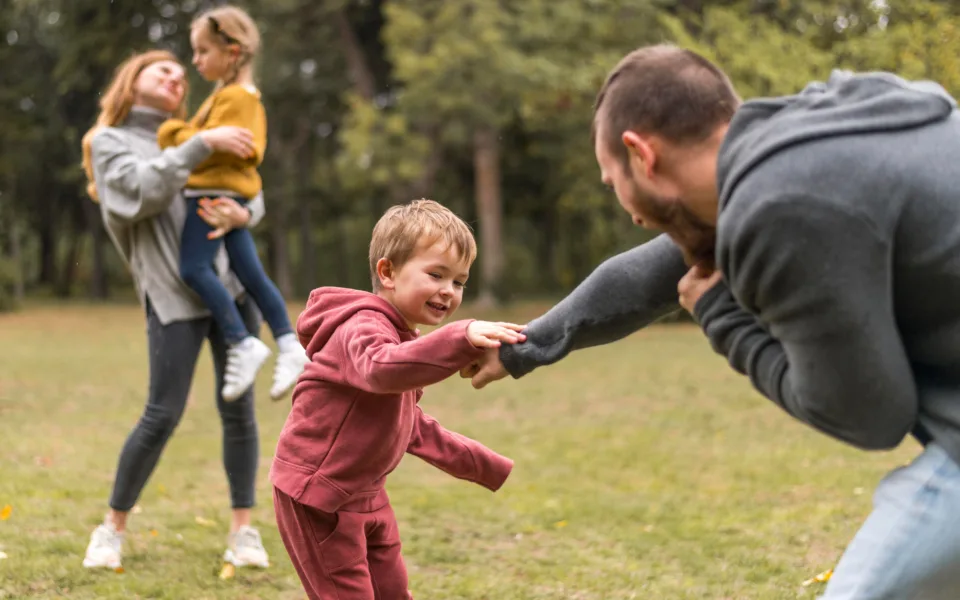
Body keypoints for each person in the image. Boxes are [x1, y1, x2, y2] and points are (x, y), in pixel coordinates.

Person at [466, 44, 960, 599]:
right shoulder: (806, 142)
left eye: (612, 183)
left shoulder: (784, 206)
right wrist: (521, 347)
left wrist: (723, 319)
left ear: (641, 155)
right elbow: (649, 274)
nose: (630, 212)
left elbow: (869, 416)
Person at [270, 199, 523, 599]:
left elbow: (407, 423)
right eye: (436, 274)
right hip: (319, 496)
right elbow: (380, 368)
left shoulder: (401, 338)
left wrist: (480, 463)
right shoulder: (362, 327)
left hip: (367, 493)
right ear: (387, 272)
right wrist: (460, 336)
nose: (448, 291)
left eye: (459, 282)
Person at [80, 49, 271, 571]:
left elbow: (248, 187)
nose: (176, 77)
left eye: (182, 75)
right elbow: (139, 193)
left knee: (240, 414)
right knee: (162, 413)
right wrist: (201, 144)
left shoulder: (195, 132)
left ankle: (244, 532)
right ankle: (111, 529)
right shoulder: (110, 142)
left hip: (231, 291)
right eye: (162, 68)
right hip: (171, 295)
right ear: (132, 77)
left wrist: (245, 213)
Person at [157, 5, 308, 403]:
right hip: (229, 195)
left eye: (203, 50)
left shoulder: (236, 98)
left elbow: (212, 146)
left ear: (233, 52)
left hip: (210, 195)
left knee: (193, 268)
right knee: (250, 274)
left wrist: (173, 131)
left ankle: (242, 341)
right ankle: (289, 344)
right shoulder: (233, 96)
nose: (196, 60)